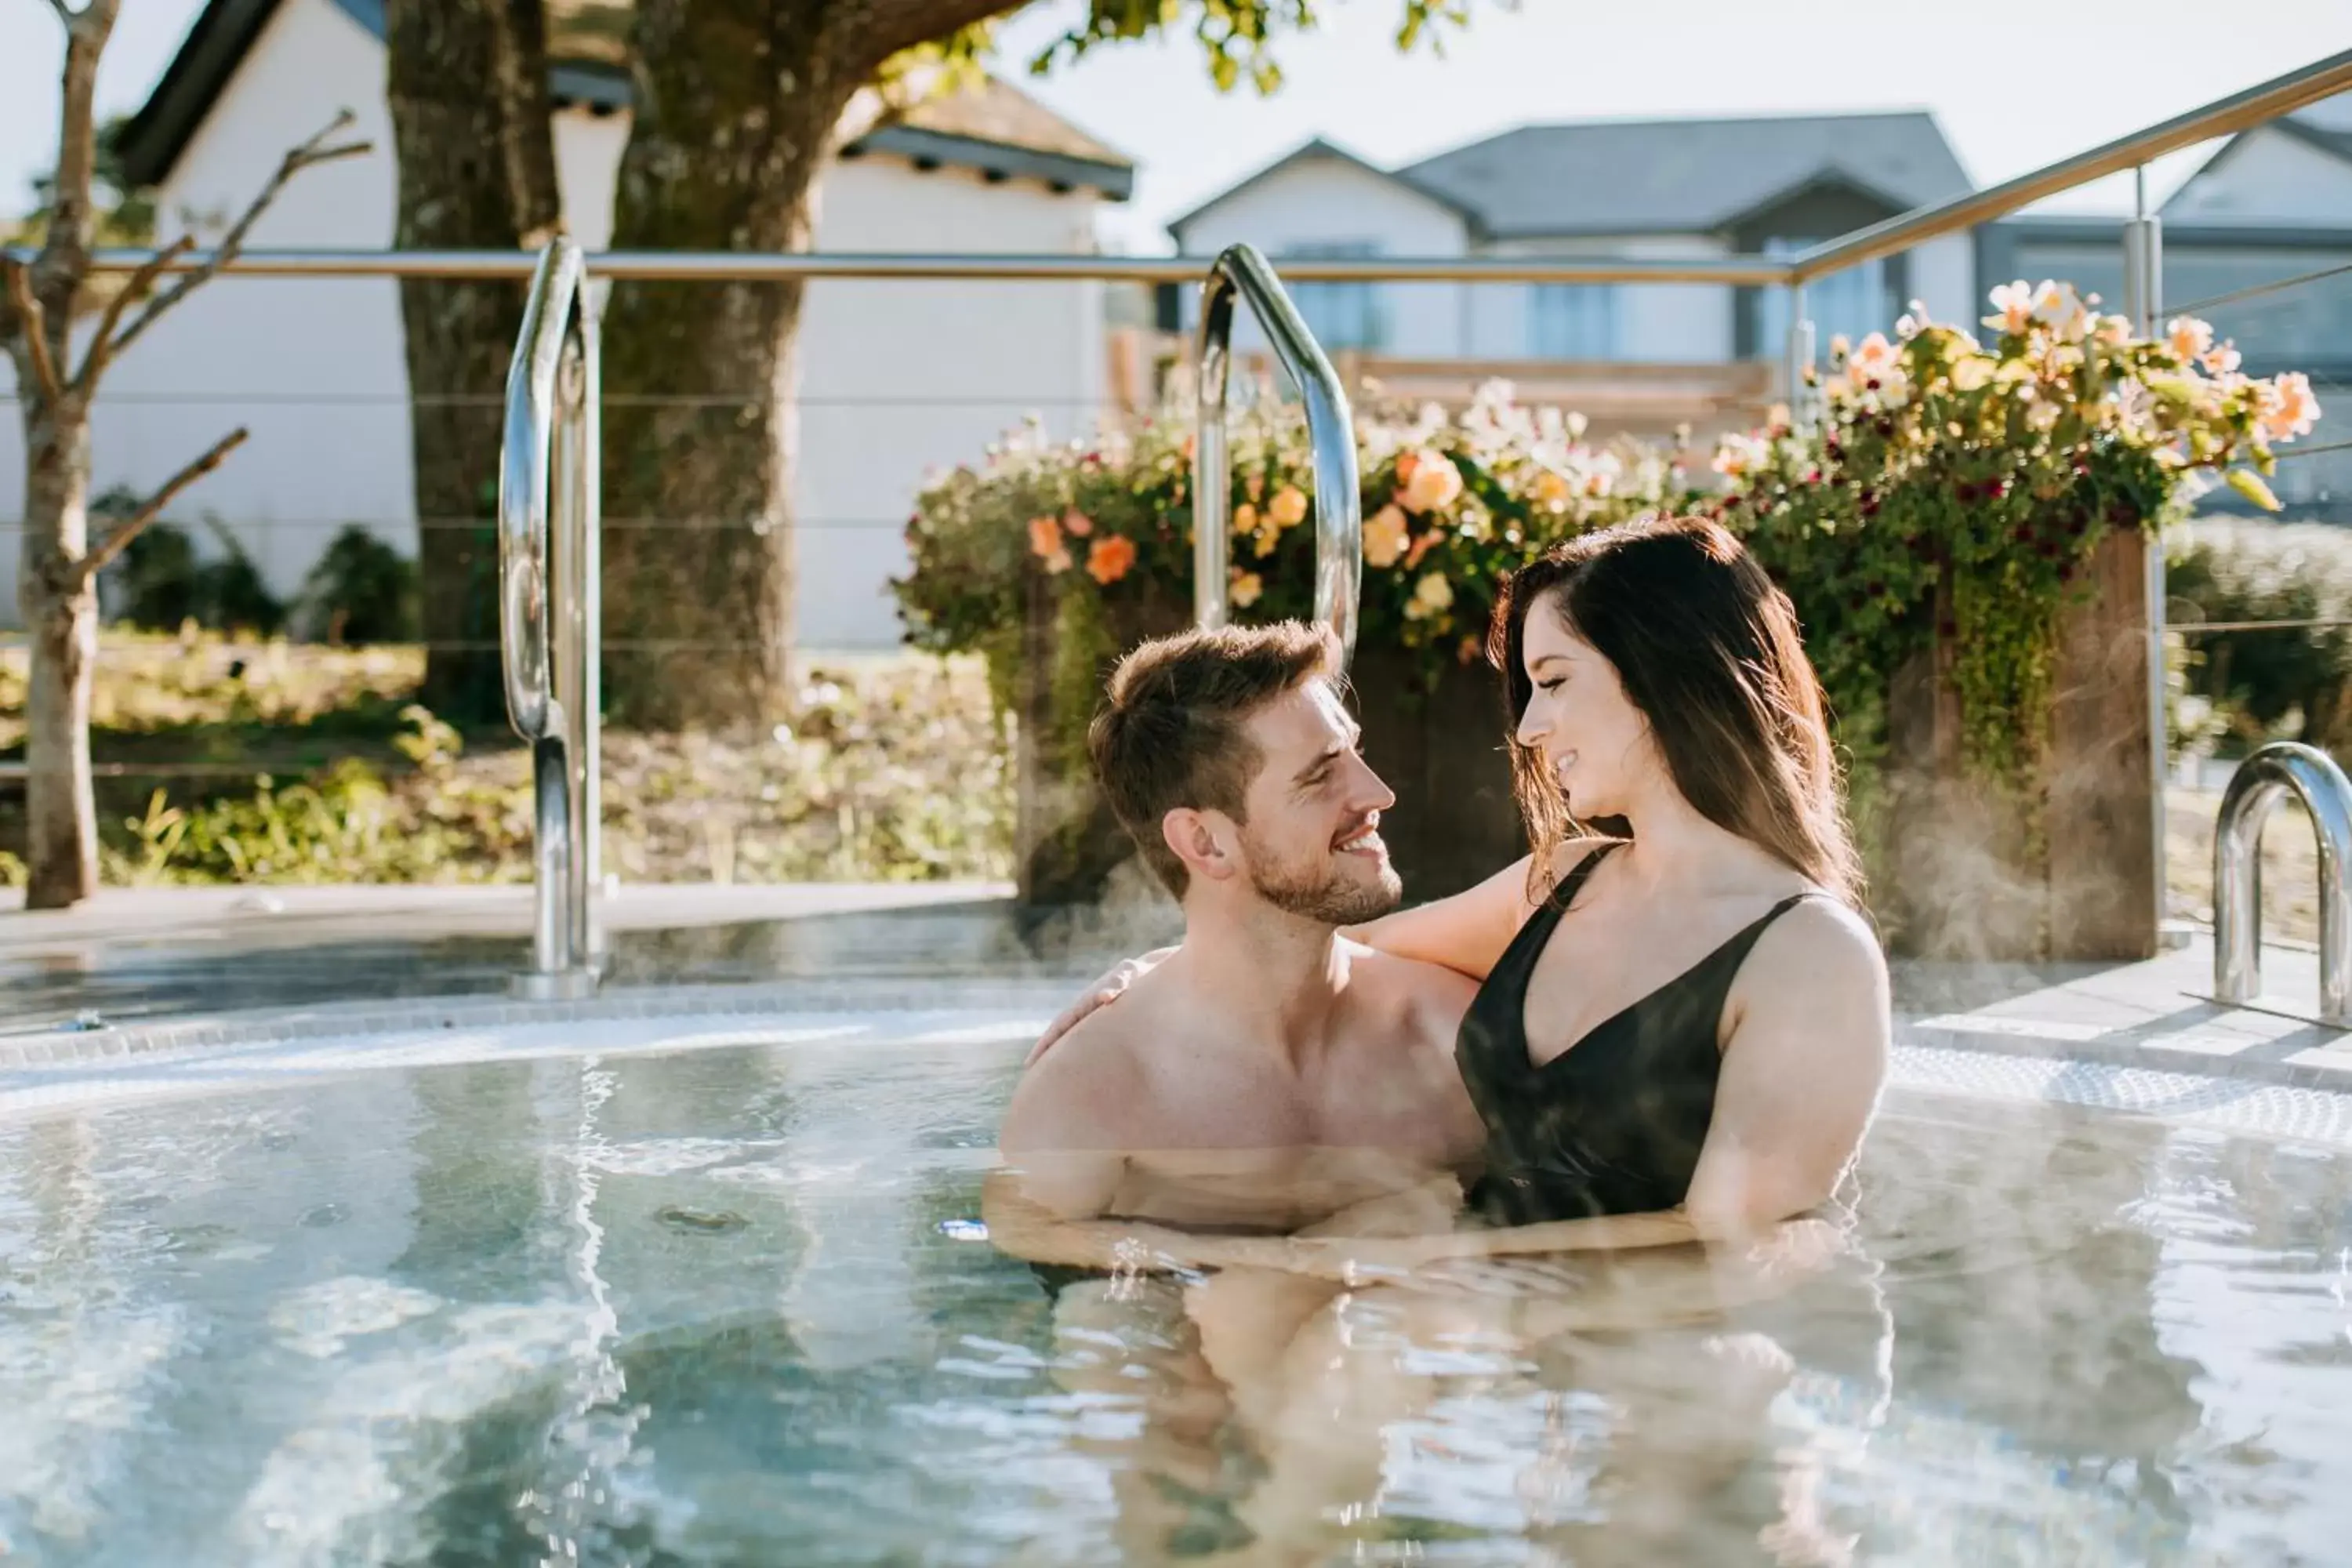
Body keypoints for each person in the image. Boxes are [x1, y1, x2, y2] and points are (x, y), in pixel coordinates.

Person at [1028, 514, 1893, 1276]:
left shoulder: (1812, 958)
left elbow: (1724, 1246)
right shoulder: (1557, 884)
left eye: (1553, 680)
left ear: (1663, 671)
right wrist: (1156, 971)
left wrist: (1405, 1259)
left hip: (1662, 1360)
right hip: (1497, 1349)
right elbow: (1315, 953)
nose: (1527, 726)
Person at [980, 619, 1486, 1279]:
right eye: (1321, 776)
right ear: (1206, 843)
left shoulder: (1451, 1041)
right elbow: (1024, 1243)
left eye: (1355, 754)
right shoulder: (1094, 1104)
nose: (1378, 794)